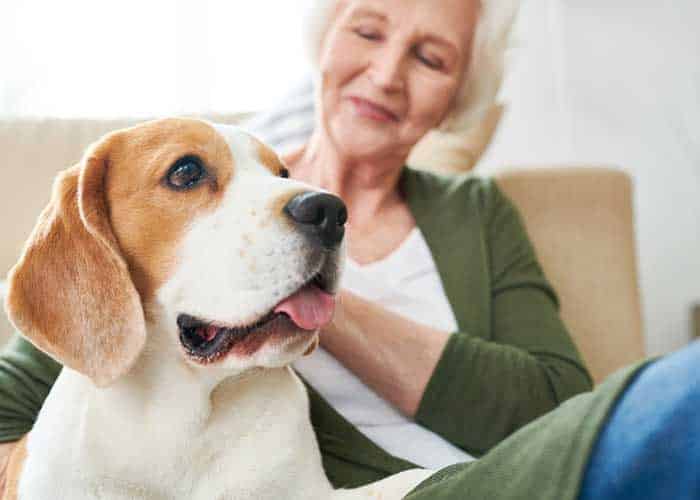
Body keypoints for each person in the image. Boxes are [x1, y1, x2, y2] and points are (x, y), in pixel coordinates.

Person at [4, 0, 670, 498]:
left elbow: (561, 407)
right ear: (325, 42)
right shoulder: (188, 183)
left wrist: (309, 290)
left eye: (430, 58)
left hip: (490, 474)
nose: (385, 74)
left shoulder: (478, 212)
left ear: (456, 99)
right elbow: (62, 350)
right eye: (368, 31)